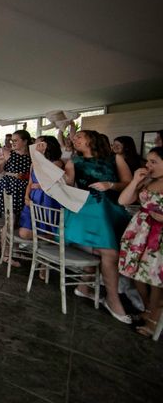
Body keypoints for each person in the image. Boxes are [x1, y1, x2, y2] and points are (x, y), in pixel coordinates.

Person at [64, 130, 132, 323]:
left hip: (112, 209)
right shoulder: (74, 161)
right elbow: (68, 184)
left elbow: (127, 182)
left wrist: (110, 185)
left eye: (78, 136)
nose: (74, 140)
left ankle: (84, 287)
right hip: (88, 210)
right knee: (109, 253)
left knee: (103, 250)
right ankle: (112, 299)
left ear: (91, 139)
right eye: (73, 138)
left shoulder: (114, 158)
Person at [118, 147, 163, 336]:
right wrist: (136, 180)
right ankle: (146, 308)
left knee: (153, 277)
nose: (148, 165)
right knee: (133, 270)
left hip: (158, 235)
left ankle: (154, 318)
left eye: (154, 162)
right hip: (140, 230)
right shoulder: (147, 181)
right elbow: (123, 200)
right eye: (148, 161)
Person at [18, 136, 63, 240]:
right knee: (25, 230)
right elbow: (30, 183)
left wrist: (40, 156)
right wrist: (26, 197)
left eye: (38, 144)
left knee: (38, 228)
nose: (35, 147)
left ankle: (53, 237)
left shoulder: (57, 163)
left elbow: (47, 180)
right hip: (34, 198)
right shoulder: (34, 164)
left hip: (47, 199)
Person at [0, 130, 32, 216]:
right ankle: (5, 229)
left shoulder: (32, 155)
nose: (12, 143)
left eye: (15, 140)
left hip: (25, 188)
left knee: (20, 216)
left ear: (25, 141)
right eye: (12, 141)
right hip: (9, 187)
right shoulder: (8, 154)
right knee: (10, 216)